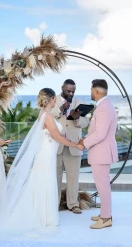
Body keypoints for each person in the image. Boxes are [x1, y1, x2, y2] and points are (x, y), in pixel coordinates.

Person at [0, 88, 84, 233]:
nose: (56, 101)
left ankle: (44, 213)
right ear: (50, 100)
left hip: (47, 151)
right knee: (45, 180)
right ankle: (43, 216)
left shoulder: (44, 114)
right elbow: (57, 136)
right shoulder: (47, 116)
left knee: (42, 180)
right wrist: (75, 145)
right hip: (46, 152)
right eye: (54, 98)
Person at [79, 79, 118, 229]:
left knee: (103, 186)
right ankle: (104, 214)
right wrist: (86, 139)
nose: (90, 93)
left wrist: (84, 143)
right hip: (100, 152)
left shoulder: (103, 108)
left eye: (91, 90)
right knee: (102, 184)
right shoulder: (104, 106)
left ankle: (106, 218)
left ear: (96, 91)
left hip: (101, 152)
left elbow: (100, 134)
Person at [51, 79, 89, 214]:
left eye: (73, 91)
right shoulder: (53, 100)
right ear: (62, 88)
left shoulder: (79, 102)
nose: (71, 93)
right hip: (56, 145)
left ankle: (73, 204)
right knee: (55, 177)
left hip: (74, 145)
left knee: (73, 177)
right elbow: (47, 117)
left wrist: (78, 117)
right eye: (68, 91)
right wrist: (61, 110)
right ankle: (53, 204)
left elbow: (85, 122)